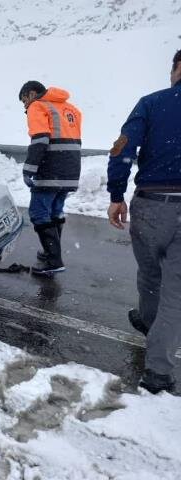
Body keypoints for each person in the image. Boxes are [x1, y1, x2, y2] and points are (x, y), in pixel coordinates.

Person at [106, 49, 181, 394]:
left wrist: (116, 195)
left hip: (151, 203)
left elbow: (122, 148)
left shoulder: (150, 103)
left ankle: (149, 321)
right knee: (176, 291)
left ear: (176, 69)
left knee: (150, 273)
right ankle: (159, 371)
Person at [18, 81, 82, 275]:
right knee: (55, 211)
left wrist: (29, 169)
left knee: (38, 212)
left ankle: (53, 261)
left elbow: (40, 140)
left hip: (50, 168)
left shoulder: (38, 106)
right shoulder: (70, 108)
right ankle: (51, 254)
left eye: (24, 101)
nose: (25, 106)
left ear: (31, 94)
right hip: (70, 169)